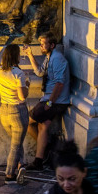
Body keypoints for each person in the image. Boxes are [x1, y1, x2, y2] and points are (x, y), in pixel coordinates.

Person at [26, 33, 72, 172]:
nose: (41, 46)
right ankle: (41, 159)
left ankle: (49, 148)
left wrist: (49, 103)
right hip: (48, 98)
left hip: (55, 101)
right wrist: (30, 55)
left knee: (26, 121)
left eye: (43, 43)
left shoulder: (57, 59)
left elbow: (59, 84)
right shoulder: (49, 57)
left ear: (52, 45)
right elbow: (40, 72)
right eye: (40, 43)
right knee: (43, 126)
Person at [0, 44, 31, 180]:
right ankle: (9, 175)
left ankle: (20, 165)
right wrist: (27, 85)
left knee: (16, 141)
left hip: (3, 110)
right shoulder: (18, 73)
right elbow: (22, 96)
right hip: (18, 110)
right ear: (16, 56)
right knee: (15, 145)